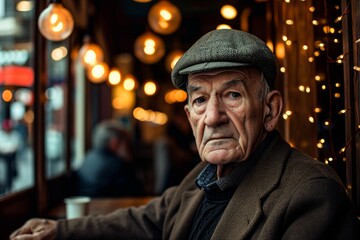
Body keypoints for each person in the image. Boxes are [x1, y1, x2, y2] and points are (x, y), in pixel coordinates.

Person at [10, 29, 359, 240]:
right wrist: (58, 231)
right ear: (189, 114)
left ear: (269, 110)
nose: (213, 116)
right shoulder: (204, 178)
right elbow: (148, 219)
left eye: (232, 95)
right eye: (200, 99)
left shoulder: (311, 194)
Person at [75, 120, 143, 197]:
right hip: (107, 206)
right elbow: (136, 193)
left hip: (88, 205)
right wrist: (128, 160)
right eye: (126, 143)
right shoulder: (119, 165)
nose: (129, 147)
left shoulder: (88, 157)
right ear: (114, 142)